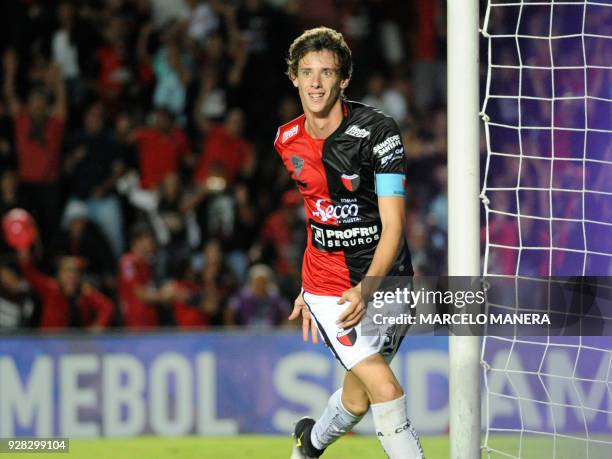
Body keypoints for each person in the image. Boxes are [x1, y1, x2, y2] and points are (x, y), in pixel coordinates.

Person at [274, 28, 424, 458]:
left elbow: (393, 227)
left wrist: (369, 288)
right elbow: (317, 213)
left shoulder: (380, 133)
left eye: (326, 72)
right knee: (386, 388)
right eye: (307, 72)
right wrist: (308, 287)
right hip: (331, 290)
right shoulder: (286, 141)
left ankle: (309, 444)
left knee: (357, 400)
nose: (316, 82)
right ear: (294, 78)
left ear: (344, 80)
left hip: (387, 282)